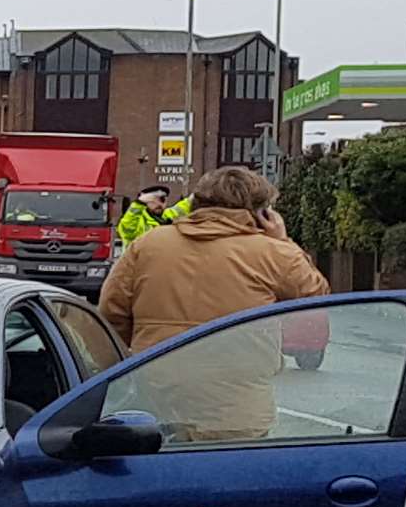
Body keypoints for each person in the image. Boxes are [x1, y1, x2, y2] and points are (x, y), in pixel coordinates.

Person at [98, 166, 328, 441]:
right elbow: (315, 299)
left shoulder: (148, 244)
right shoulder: (274, 252)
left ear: (196, 203)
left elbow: (112, 315)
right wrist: (283, 239)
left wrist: (142, 357)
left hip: (157, 399)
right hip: (237, 407)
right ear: (262, 212)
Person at [115, 185, 195, 246]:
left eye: (163, 200)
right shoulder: (138, 222)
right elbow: (128, 226)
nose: (159, 204)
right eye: (153, 200)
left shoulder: (167, 216)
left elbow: (183, 207)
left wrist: (197, 194)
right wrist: (138, 203)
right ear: (145, 201)